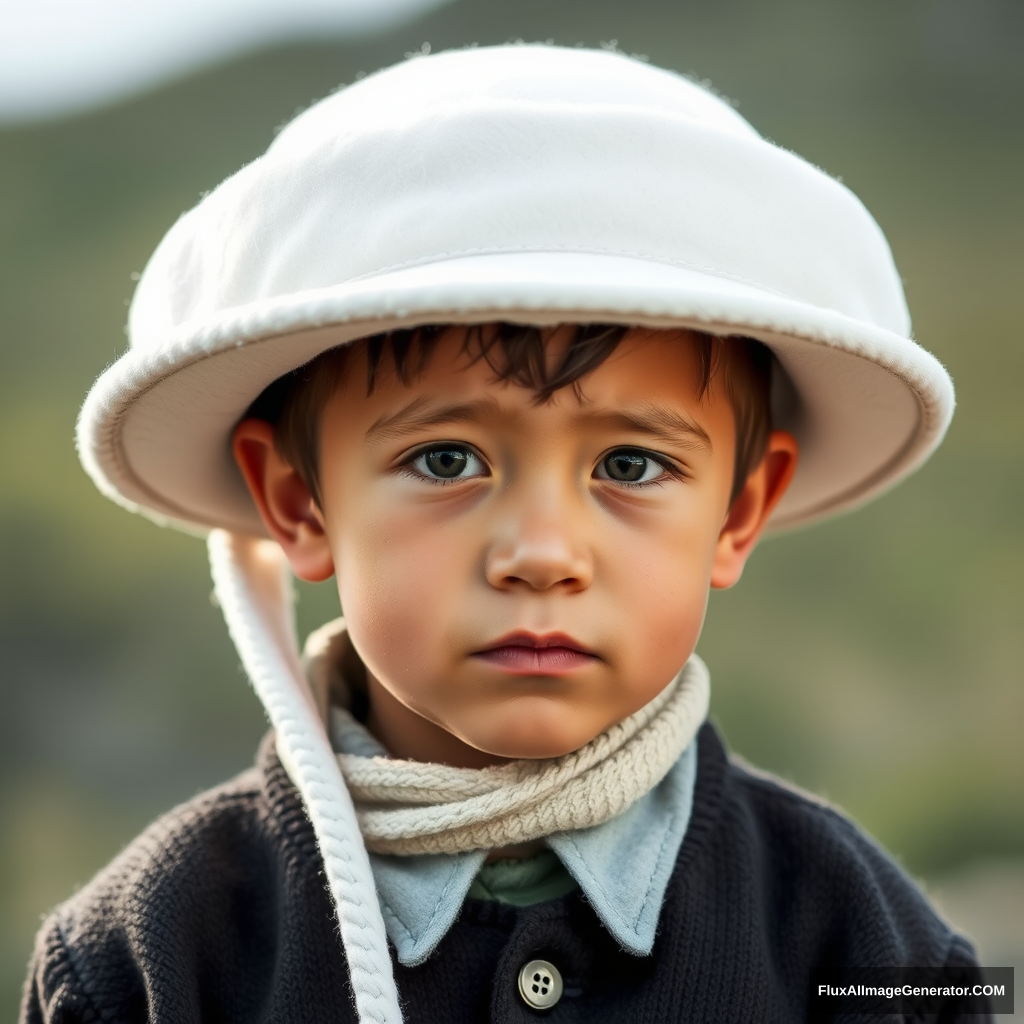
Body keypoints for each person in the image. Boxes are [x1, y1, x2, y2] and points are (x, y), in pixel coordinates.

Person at [21, 44, 992, 1023]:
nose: (541, 554)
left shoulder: (867, 941)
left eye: (629, 466)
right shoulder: (148, 955)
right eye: (447, 462)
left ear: (738, 513)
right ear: (298, 502)